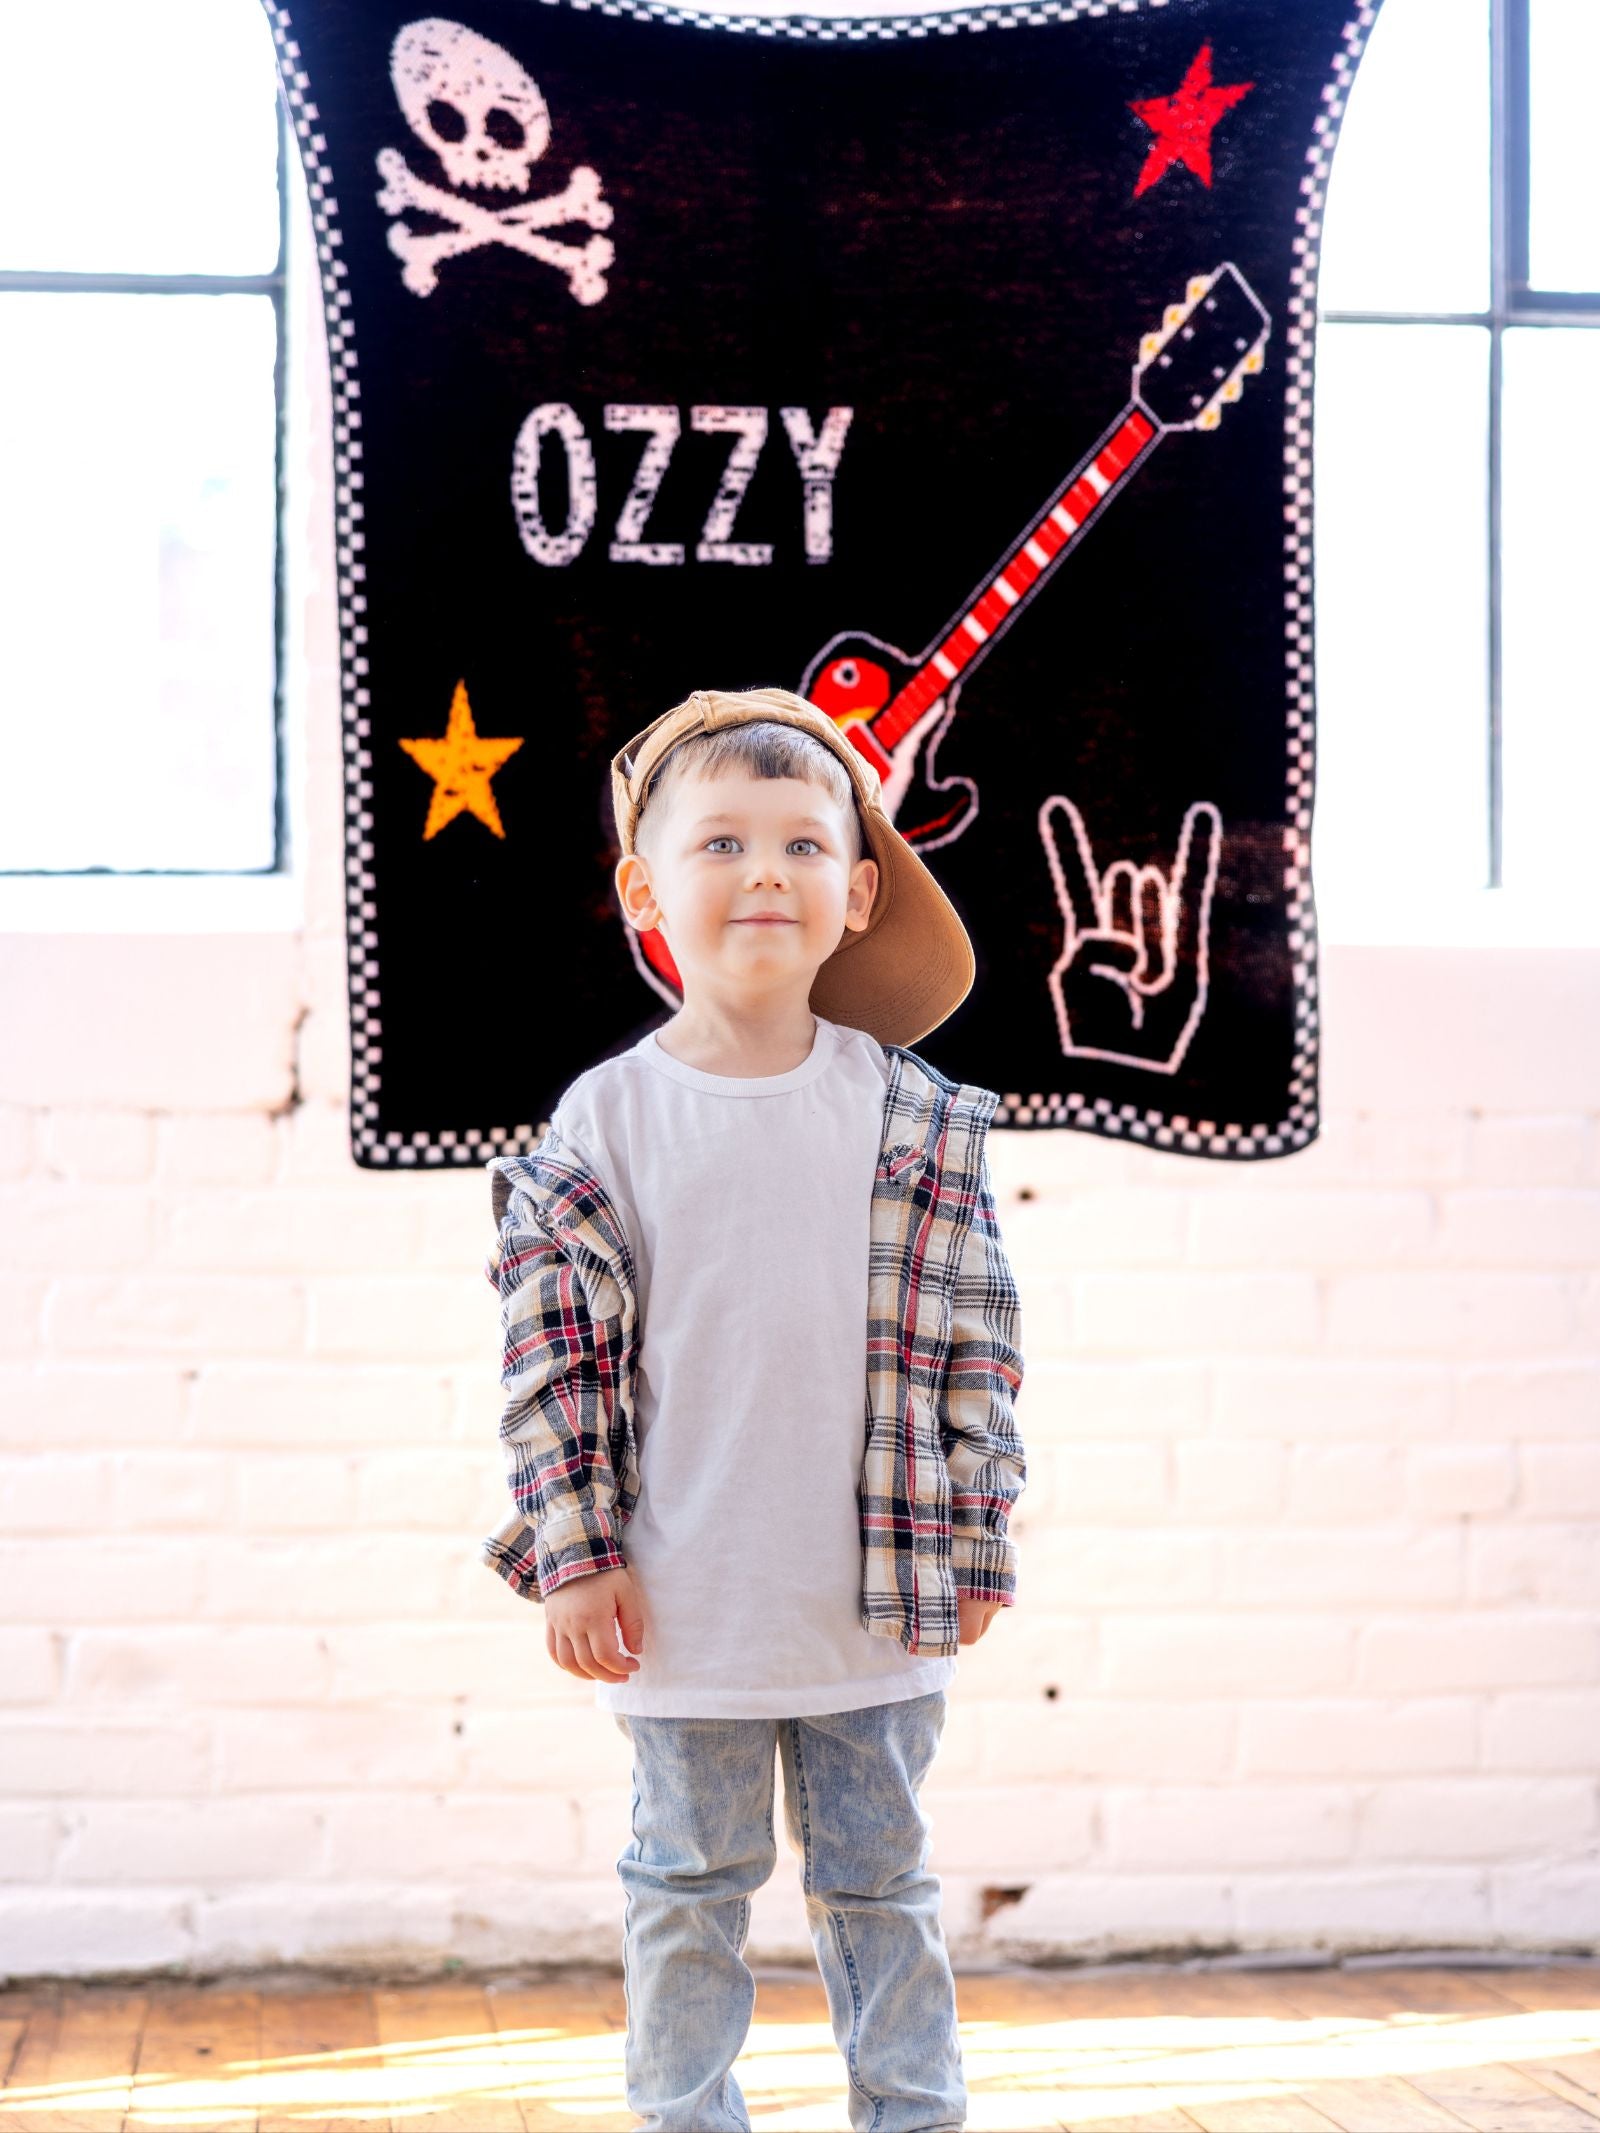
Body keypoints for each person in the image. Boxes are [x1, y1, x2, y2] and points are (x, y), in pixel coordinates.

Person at [480, 684, 1027, 2132]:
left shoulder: (912, 1110)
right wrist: (573, 1546)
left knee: (882, 1887)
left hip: (877, 1600)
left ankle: (913, 2113)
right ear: (642, 888)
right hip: (684, 1600)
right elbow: (556, 1358)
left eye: (800, 842)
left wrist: (978, 1532)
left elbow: (977, 1341)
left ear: (856, 892)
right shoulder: (605, 1120)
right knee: (684, 1888)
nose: (764, 870)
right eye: (719, 841)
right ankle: (685, 2115)